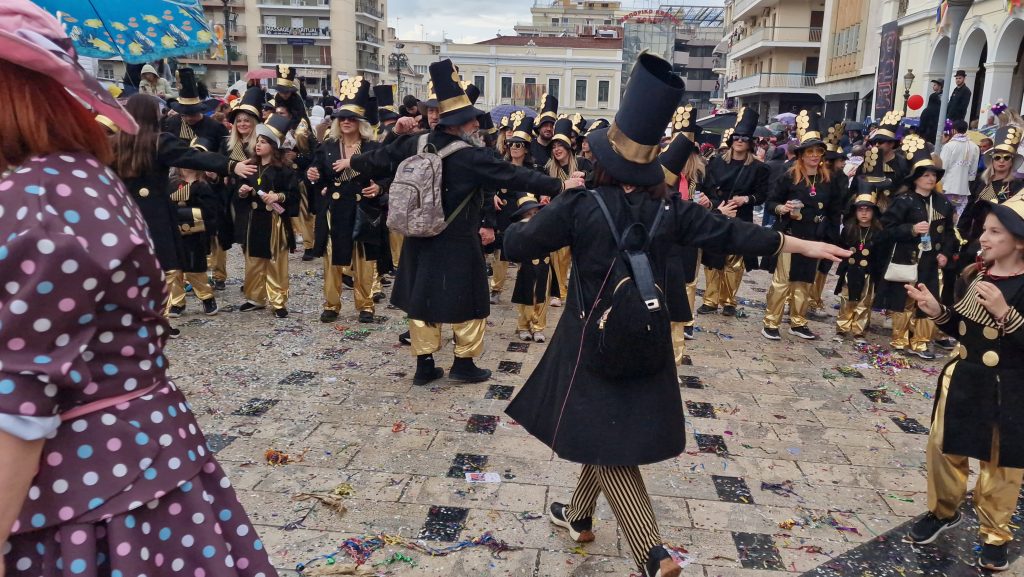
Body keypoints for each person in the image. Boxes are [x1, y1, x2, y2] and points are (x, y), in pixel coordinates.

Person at [502, 52, 850, 577]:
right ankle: (576, 515)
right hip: (647, 334)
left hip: (590, 343)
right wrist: (798, 242)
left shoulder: (580, 205)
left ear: (599, 162)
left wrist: (540, 205)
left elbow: (516, 243)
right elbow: (733, 233)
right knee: (604, 428)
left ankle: (651, 552)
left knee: (607, 442)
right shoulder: (669, 207)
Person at [0, 4, 276, 576]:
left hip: (78, 491)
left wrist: (228, 167)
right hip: (137, 465)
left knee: (197, 277)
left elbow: (19, 401)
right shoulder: (73, 176)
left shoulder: (32, 200)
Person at [341, 59, 580, 386]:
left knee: (422, 300)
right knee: (470, 302)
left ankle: (425, 366)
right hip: (457, 240)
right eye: (471, 122)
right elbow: (515, 174)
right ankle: (464, 363)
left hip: (420, 236)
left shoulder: (416, 142)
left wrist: (358, 155)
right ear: (463, 123)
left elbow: (375, 161)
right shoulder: (472, 156)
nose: (475, 127)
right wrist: (561, 185)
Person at [902, 194, 1024, 572]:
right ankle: (943, 512)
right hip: (963, 377)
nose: (983, 239)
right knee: (944, 447)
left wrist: (1006, 314)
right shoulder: (978, 274)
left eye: (994, 232)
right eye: (984, 230)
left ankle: (995, 533)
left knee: (1000, 463)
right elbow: (963, 328)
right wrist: (937, 311)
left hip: (1009, 386)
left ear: (1019, 241)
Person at [111, 94, 255, 326]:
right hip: (157, 215)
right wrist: (231, 165)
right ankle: (160, 319)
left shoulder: (113, 142)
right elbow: (193, 157)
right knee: (164, 266)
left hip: (124, 214)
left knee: (131, 266)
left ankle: (135, 317)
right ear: (152, 115)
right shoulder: (159, 141)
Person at [762, 111, 845, 341]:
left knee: (805, 281)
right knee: (782, 281)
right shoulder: (789, 176)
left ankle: (798, 321)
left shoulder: (829, 180)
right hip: (790, 236)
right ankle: (771, 321)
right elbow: (771, 203)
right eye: (810, 152)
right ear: (801, 155)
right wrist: (783, 209)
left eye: (818, 152)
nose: (815, 156)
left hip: (814, 237)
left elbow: (834, 211)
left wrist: (830, 238)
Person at [306, 78, 383, 324]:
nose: (346, 121)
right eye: (342, 118)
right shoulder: (328, 146)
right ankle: (331, 304)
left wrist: (380, 187)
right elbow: (317, 174)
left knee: (363, 260)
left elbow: (386, 175)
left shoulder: (372, 147)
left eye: (351, 118)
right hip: (336, 209)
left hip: (362, 209)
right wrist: (313, 176)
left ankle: (366, 305)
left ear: (361, 122)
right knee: (332, 258)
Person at [873, 147, 956, 358]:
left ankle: (921, 342)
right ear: (916, 178)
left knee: (929, 300)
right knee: (904, 299)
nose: (931, 178)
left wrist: (945, 252)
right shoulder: (904, 201)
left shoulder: (943, 203)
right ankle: (899, 339)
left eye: (933, 174)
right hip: (907, 258)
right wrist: (910, 229)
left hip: (931, 260)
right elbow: (885, 230)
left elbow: (949, 233)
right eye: (926, 175)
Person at [697, 107, 771, 317]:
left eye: (744, 138)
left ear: (750, 142)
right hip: (718, 213)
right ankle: (710, 300)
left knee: (734, 261)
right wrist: (714, 204)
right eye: (736, 137)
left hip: (741, 216)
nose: (739, 141)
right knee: (712, 259)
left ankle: (728, 300)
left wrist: (746, 199)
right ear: (731, 140)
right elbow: (708, 188)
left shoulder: (759, 168)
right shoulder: (716, 162)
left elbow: (763, 194)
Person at [235, 114, 300, 317]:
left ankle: (278, 300)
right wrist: (242, 191)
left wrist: (277, 196)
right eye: (257, 142)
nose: (258, 145)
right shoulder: (250, 167)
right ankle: (255, 297)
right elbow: (238, 191)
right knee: (253, 259)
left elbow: (293, 195)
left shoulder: (284, 170)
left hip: (274, 220)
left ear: (273, 146)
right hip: (255, 218)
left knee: (275, 260)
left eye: (263, 142)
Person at [659, 128, 702, 356]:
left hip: (690, 236)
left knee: (689, 279)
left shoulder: (699, 176)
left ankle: (687, 321)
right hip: (668, 242)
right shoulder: (663, 181)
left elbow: (713, 195)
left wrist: (711, 204)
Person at [165, 144, 221, 317]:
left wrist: (188, 214)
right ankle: (176, 302)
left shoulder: (202, 186)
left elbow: (211, 211)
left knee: (194, 269)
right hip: (174, 234)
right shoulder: (171, 184)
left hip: (195, 235)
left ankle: (206, 297)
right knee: (173, 270)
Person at [491, 115, 541, 304]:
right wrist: (493, 195)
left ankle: (525, 289)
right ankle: (496, 289)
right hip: (504, 212)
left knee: (524, 254)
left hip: (524, 213)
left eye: (518, 144)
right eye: (511, 143)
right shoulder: (501, 166)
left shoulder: (534, 170)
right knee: (501, 253)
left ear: (526, 148)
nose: (513, 147)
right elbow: (491, 185)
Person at [544, 116, 591, 307]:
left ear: (568, 147)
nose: (556, 149)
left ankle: (577, 292)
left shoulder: (582, 164)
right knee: (558, 255)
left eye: (560, 145)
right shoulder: (549, 168)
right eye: (554, 146)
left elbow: (596, 179)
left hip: (581, 217)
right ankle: (558, 291)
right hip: (558, 217)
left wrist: (585, 177)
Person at [835, 187, 884, 341]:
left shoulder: (878, 232)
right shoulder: (849, 230)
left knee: (865, 301)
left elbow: (880, 255)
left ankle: (859, 330)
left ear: (873, 212)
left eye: (868, 210)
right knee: (846, 299)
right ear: (855, 212)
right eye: (860, 210)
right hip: (850, 270)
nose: (864, 213)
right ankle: (842, 327)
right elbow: (841, 248)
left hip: (868, 272)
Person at [509, 195, 551, 342]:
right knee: (526, 297)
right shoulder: (518, 231)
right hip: (527, 268)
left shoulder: (546, 228)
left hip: (544, 266)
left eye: (535, 213)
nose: (532, 217)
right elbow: (512, 250)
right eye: (528, 214)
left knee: (543, 298)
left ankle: (538, 327)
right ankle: (523, 326)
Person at [859, 111, 910, 211]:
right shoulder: (868, 161)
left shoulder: (902, 164)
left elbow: (908, 187)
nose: (877, 145)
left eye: (881, 142)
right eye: (874, 142)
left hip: (894, 212)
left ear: (891, 144)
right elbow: (856, 186)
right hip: (869, 213)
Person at [163, 68, 228, 144]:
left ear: (200, 110)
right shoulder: (171, 124)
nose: (188, 118)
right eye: (184, 115)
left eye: (193, 114)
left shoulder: (215, 127)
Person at [940, 119, 980, 221]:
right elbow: (973, 169)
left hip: (947, 185)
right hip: (963, 187)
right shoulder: (974, 146)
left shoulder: (949, 146)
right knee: (957, 215)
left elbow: (942, 166)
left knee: (944, 214)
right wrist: (969, 179)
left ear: (953, 130)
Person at [531, 93, 558, 166]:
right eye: (545, 125)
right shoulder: (530, 146)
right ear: (539, 128)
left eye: (551, 126)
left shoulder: (557, 149)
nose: (549, 129)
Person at [920, 79, 943, 144]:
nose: (933, 86)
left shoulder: (942, 96)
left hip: (933, 124)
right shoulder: (933, 95)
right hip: (929, 122)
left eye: (935, 85)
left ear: (939, 86)